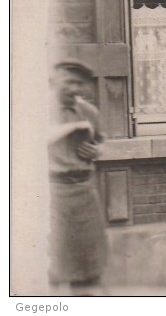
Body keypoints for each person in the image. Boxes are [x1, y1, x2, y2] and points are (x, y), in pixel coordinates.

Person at [48, 60, 108, 295]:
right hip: (52, 192)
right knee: (51, 265)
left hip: (84, 191)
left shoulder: (88, 111)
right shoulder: (35, 107)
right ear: (54, 81)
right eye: (69, 82)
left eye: (78, 83)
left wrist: (98, 151)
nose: (74, 88)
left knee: (88, 266)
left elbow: (101, 142)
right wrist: (72, 128)